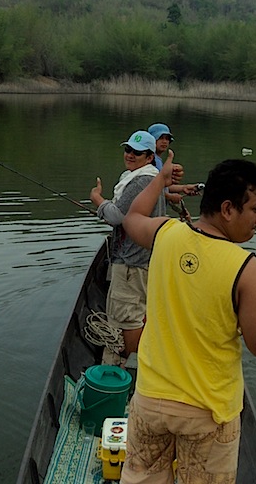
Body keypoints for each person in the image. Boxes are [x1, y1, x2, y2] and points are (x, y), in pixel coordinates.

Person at [120, 152, 256, 484]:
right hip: (208, 413)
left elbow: (132, 216)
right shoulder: (247, 269)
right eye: (255, 209)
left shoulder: (166, 233)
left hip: (150, 400)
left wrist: (160, 179)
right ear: (228, 209)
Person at [89, 130, 167, 358]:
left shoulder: (141, 181)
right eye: (128, 150)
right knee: (135, 311)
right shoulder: (150, 178)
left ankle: (129, 363)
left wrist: (98, 201)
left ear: (150, 157)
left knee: (127, 317)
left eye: (138, 152)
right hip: (140, 259)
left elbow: (117, 216)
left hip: (132, 263)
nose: (130, 155)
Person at [147, 123, 200, 216]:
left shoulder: (158, 161)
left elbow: (163, 187)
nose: (164, 141)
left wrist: (184, 188)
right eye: (160, 138)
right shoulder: (150, 160)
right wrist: (170, 197)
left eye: (167, 138)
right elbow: (149, 187)